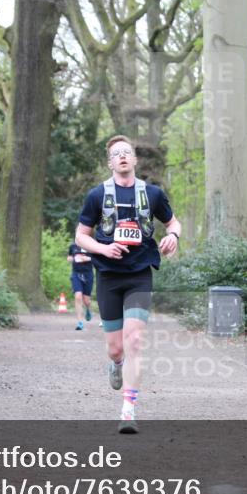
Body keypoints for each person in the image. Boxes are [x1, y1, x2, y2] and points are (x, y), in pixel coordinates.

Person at [75, 135, 181, 434]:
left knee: (134, 340)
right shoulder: (97, 195)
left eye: (127, 153)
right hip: (108, 274)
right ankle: (116, 364)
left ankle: (128, 410)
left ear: (134, 160)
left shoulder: (153, 194)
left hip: (139, 274)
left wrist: (173, 236)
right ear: (110, 163)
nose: (122, 157)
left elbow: (173, 223)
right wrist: (103, 248)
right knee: (116, 348)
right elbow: (81, 236)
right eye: (116, 154)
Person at [66, 241, 94, 330]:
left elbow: (96, 259)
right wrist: (73, 258)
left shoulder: (91, 245)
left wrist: (86, 258)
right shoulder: (73, 246)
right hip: (76, 274)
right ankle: (80, 323)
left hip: (88, 274)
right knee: (78, 296)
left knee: (87, 301)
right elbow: (69, 257)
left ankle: (88, 309)